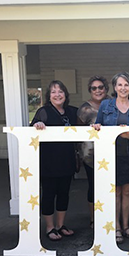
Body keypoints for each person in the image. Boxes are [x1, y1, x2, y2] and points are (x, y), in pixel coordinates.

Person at [94, 72, 129, 244]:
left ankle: (126, 226)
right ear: (115, 87)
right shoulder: (106, 105)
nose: (123, 88)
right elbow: (97, 125)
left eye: (126, 85)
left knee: (128, 192)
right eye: (120, 85)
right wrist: (96, 126)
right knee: (114, 193)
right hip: (109, 155)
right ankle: (115, 228)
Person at [31, 80, 78, 241]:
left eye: (60, 91)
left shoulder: (72, 112)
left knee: (64, 194)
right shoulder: (43, 112)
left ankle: (60, 225)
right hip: (48, 163)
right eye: (53, 92)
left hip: (67, 161)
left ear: (65, 95)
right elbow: (32, 129)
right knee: (49, 194)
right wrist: (37, 124)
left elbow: (85, 125)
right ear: (48, 96)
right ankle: (50, 228)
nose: (57, 95)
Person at [77, 75, 110, 228]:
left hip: (111, 154)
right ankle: (93, 219)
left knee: (111, 188)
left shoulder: (113, 104)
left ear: (106, 89)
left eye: (101, 87)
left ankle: (109, 218)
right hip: (91, 156)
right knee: (94, 187)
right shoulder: (84, 109)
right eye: (94, 88)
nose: (98, 90)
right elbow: (79, 133)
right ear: (90, 90)